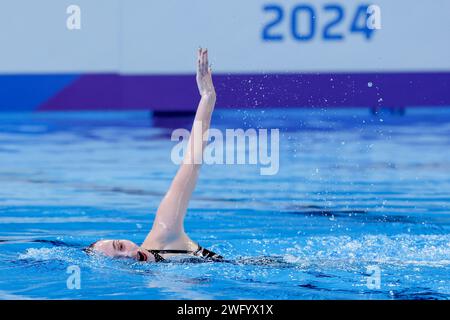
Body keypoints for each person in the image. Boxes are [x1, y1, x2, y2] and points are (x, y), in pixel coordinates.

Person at [87, 48, 222, 262]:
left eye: (120, 246)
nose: (129, 253)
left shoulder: (165, 230)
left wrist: (207, 97)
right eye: (119, 258)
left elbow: (191, 163)